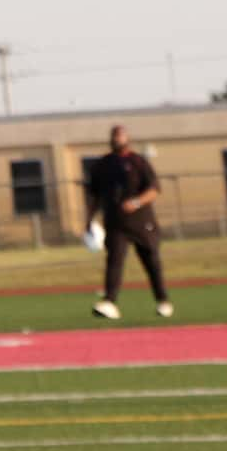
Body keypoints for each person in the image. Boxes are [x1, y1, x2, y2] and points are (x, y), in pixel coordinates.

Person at [80, 125, 173, 320]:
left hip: (141, 222)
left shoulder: (138, 162)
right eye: (114, 136)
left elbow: (154, 189)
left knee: (151, 261)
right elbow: (94, 195)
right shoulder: (103, 165)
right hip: (115, 224)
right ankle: (109, 302)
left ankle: (163, 301)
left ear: (127, 138)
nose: (116, 139)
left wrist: (137, 201)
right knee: (114, 262)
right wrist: (88, 219)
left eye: (120, 136)